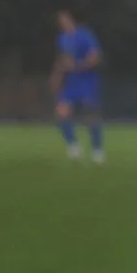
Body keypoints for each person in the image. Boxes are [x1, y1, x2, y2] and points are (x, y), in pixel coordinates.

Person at [51, 10, 105, 163]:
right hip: (71, 84)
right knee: (61, 113)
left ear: (71, 19)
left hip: (87, 82)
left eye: (65, 19)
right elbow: (62, 60)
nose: (63, 23)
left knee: (91, 116)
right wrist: (56, 76)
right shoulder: (62, 38)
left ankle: (97, 151)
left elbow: (95, 56)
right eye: (60, 21)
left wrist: (79, 66)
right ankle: (74, 147)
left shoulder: (84, 35)